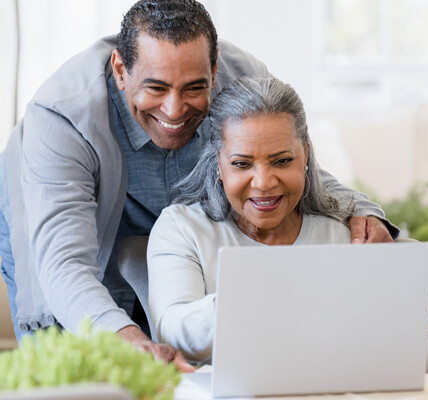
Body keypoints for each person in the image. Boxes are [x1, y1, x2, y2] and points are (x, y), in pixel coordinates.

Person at [0, 0, 396, 371]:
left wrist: (362, 209)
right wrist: (124, 336)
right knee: (78, 361)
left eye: (193, 88)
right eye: (155, 88)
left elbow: (294, 166)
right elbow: (65, 265)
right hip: (66, 223)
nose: (174, 111)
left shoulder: (243, 77)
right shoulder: (62, 115)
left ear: (214, 69)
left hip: (171, 221)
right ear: (120, 71)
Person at [148, 76, 353, 362]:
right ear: (218, 163)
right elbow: (173, 332)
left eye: (282, 161)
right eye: (242, 164)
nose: (264, 182)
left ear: (305, 155)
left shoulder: (341, 234)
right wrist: (241, 299)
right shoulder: (183, 229)